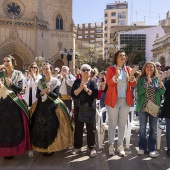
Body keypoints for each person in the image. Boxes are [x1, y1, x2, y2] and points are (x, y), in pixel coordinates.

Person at [29, 62, 73, 155]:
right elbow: (37, 95)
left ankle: (51, 147)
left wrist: (48, 92)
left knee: (51, 126)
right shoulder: (40, 82)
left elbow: (55, 96)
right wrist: (42, 93)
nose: (45, 70)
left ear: (51, 70)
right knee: (40, 126)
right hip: (41, 106)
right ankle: (43, 147)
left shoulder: (56, 81)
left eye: (47, 68)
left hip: (52, 106)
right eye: (44, 69)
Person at [105, 49, 136, 157]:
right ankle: (111, 146)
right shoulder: (111, 69)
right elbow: (109, 83)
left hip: (125, 101)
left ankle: (120, 146)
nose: (123, 57)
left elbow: (133, 83)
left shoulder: (128, 69)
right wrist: (117, 75)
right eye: (120, 56)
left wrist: (132, 75)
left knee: (122, 125)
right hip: (113, 100)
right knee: (113, 125)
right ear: (116, 58)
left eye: (124, 55)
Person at [0, 55, 31, 159]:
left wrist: (11, 84)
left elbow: (19, 89)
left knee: (15, 127)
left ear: (13, 62)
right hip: (3, 103)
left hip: (14, 104)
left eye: (8, 61)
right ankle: (5, 151)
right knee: (4, 128)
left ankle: (14, 149)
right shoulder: (1, 74)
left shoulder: (18, 74)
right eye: (4, 61)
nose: (6, 63)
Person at [136, 61, 165, 158]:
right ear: (144, 68)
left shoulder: (157, 79)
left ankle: (152, 148)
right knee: (142, 129)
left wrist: (160, 83)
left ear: (154, 69)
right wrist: (146, 84)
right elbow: (139, 92)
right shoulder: (140, 79)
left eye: (151, 67)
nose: (149, 68)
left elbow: (162, 92)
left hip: (154, 106)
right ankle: (142, 147)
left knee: (153, 129)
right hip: (143, 107)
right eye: (147, 67)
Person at [71, 64, 98, 158]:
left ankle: (92, 148)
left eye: (87, 70)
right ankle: (77, 147)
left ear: (90, 72)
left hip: (90, 108)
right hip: (79, 108)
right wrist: (81, 87)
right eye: (84, 70)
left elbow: (95, 94)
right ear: (81, 72)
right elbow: (73, 93)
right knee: (78, 128)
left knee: (91, 129)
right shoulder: (77, 81)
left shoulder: (93, 82)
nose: (86, 71)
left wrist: (86, 89)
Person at [161, 69, 170, 157]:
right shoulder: (167, 83)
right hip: (168, 109)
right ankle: (169, 148)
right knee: (169, 130)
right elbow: (166, 95)